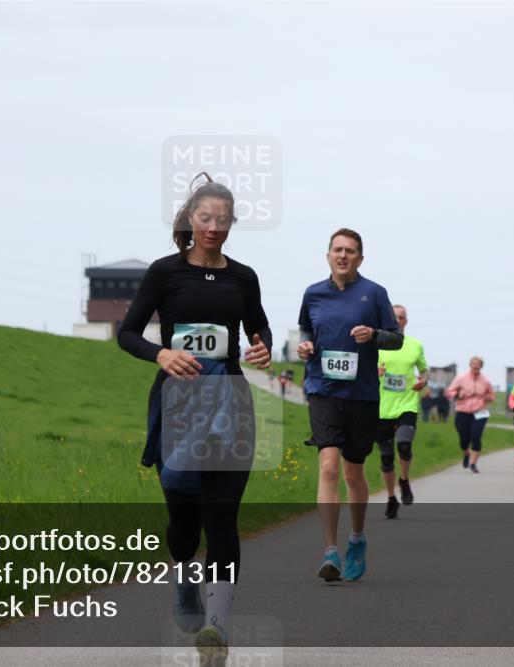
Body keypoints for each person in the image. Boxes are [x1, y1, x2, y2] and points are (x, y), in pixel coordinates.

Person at [117, 174, 271, 665]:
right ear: (189, 220)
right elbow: (127, 333)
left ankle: (218, 627)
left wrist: (261, 344)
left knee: (222, 515)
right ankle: (185, 573)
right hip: (178, 405)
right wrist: (161, 355)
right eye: (205, 218)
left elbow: (258, 322)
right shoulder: (165, 273)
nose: (214, 227)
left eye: (223, 220)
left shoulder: (243, 277)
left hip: (230, 404)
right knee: (185, 518)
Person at [296, 228, 402, 582]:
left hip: (362, 396)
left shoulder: (374, 293)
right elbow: (305, 330)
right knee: (328, 467)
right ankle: (330, 551)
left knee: (353, 472)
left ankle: (356, 538)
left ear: (360, 258)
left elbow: (396, 339)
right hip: (322, 390)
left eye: (351, 251)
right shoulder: (313, 294)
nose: (343, 256)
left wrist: (373, 336)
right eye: (338, 250)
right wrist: (306, 346)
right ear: (328, 254)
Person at [375, 304, 428, 519]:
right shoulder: (375, 343)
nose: (398, 320)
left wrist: (423, 381)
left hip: (407, 404)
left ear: (406, 321)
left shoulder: (415, 345)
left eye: (402, 317)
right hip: (380, 408)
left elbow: (424, 371)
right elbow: (360, 370)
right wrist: (373, 370)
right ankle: (390, 497)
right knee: (386, 458)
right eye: (394, 317)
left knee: (404, 445)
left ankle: (404, 480)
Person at [445, 357, 495, 473]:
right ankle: (466, 452)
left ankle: (473, 463)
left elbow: (492, 395)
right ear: (470, 365)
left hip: (480, 411)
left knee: (476, 436)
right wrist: (457, 395)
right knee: (464, 438)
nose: (475, 366)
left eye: (478, 364)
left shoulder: (485, 380)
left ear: (481, 366)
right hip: (462, 411)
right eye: (473, 364)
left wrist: (489, 398)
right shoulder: (461, 378)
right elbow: (449, 392)